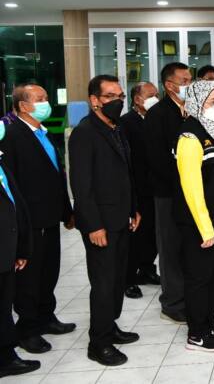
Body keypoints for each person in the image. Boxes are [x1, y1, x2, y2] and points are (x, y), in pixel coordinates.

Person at [69, 75, 141, 366]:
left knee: (117, 279)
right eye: (110, 96)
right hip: (101, 223)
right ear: (94, 100)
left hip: (121, 217)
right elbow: (81, 185)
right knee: (103, 283)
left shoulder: (116, 128)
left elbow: (127, 173)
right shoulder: (85, 133)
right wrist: (93, 225)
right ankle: (98, 343)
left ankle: (110, 327)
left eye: (120, 96)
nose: (118, 101)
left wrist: (134, 208)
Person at [0, 85, 75, 354]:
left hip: (50, 217)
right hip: (30, 221)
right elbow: (12, 184)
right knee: (29, 279)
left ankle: (46, 316)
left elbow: (57, 175)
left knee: (49, 271)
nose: (46, 102)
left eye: (45, 97)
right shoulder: (12, 136)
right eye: (40, 99)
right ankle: (27, 329)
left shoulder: (44, 132)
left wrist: (67, 211)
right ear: (23, 106)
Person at [174, 81, 214, 352]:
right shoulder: (190, 137)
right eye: (212, 101)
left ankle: (210, 322)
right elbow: (191, 187)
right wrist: (205, 227)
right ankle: (197, 333)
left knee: (212, 274)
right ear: (196, 103)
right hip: (198, 223)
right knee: (198, 278)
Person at [145, 62, 192, 324]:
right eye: (184, 81)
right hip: (169, 192)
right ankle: (172, 303)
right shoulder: (158, 114)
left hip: (192, 191)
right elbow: (157, 159)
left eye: (190, 80)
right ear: (169, 85)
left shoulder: (191, 110)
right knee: (171, 247)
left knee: (189, 246)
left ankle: (191, 294)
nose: (189, 85)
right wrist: (182, 182)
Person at [0, 124, 40, 378]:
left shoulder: (2, 163)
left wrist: (20, 248)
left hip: (7, 247)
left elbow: (14, 203)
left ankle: (6, 355)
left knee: (4, 306)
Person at [120, 82, 160, 300]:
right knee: (136, 236)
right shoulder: (126, 123)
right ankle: (128, 279)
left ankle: (146, 269)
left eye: (157, 95)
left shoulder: (156, 118)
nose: (155, 98)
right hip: (137, 188)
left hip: (155, 186)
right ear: (137, 99)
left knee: (153, 234)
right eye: (151, 95)